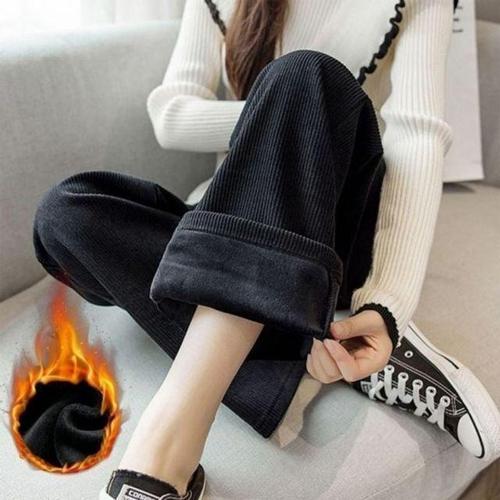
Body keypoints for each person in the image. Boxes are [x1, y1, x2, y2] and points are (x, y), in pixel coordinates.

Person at [32, 0, 499, 499]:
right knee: (65, 216)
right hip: (241, 223)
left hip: (341, 226)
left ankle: (166, 452)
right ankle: (302, 328)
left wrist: (386, 302)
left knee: (307, 75)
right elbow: (170, 114)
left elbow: (416, 136)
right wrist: (280, 118)